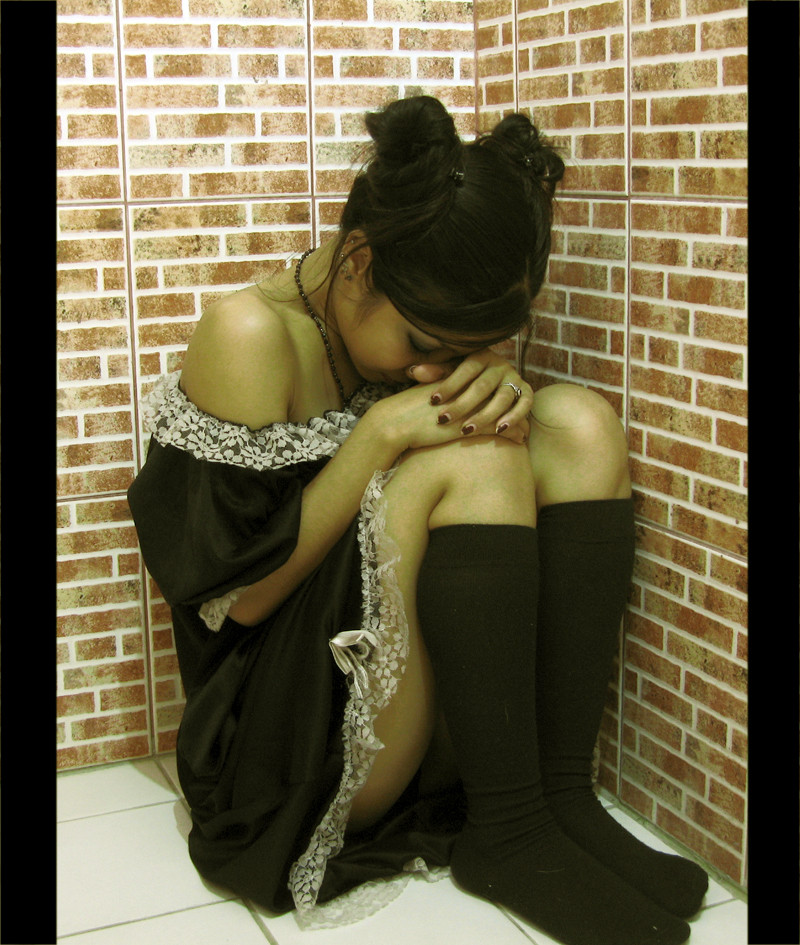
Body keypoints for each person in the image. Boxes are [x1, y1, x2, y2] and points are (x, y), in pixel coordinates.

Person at [127, 95, 707, 944]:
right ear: (358, 262)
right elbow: (236, 602)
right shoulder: (249, 335)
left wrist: (498, 384)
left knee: (578, 424)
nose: (432, 371)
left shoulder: (408, 319)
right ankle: (509, 835)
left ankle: (557, 794)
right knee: (475, 458)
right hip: (279, 744)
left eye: (464, 348)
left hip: (406, 694)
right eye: (423, 343)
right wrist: (380, 435)